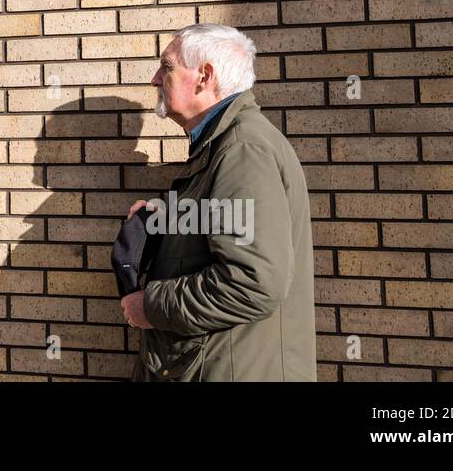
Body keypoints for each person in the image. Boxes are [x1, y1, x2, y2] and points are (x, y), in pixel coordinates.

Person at [121, 23, 317, 381]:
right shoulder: (223, 146)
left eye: (166, 67)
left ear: (204, 76)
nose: (154, 79)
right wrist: (169, 219)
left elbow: (252, 282)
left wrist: (150, 305)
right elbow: (224, 229)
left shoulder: (242, 149)